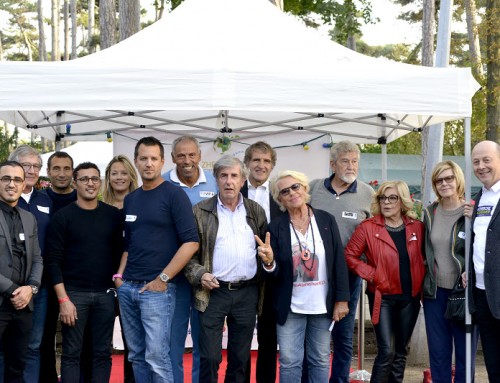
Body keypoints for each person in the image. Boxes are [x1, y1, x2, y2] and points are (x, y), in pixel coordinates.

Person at [114, 136, 199, 382]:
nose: (148, 163)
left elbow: (191, 242)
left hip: (157, 290)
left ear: (162, 162)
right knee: (136, 356)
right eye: (143, 158)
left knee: (157, 357)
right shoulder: (131, 199)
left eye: (153, 159)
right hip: (129, 288)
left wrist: (163, 278)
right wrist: (119, 277)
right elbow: (128, 244)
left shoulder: (174, 195)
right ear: (136, 162)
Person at [184, 155, 268, 383]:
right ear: (216, 179)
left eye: (234, 176)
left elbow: (266, 251)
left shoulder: (256, 211)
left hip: (247, 293)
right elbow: (187, 257)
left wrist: (268, 260)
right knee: (210, 357)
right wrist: (201, 274)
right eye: (224, 176)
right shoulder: (200, 211)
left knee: (240, 358)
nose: (229, 181)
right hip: (213, 292)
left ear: (242, 180)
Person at [262, 170, 350, 382]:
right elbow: (274, 275)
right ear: (279, 199)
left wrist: (342, 299)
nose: (292, 193)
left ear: (304, 188)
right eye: (285, 191)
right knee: (290, 361)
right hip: (291, 306)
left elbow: (339, 261)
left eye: (295, 187)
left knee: (319, 359)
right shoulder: (276, 227)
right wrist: (269, 262)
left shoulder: (326, 220)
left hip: (322, 305)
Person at [45, 162, 123, 382]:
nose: (90, 183)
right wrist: (63, 300)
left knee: (101, 353)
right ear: (74, 183)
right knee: (71, 354)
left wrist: (118, 285)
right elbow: (53, 261)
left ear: (100, 182)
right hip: (74, 295)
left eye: (94, 179)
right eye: (84, 179)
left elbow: (122, 254)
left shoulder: (113, 216)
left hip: (106, 295)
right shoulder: (62, 217)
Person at [345, 180, 425, 383]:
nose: (387, 203)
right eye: (383, 198)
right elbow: (349, 256)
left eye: (392, 198)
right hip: (383, 298)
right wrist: (372, 274)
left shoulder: (417, 227)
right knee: (386, 351)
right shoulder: (368, 228)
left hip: (410, 298)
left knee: (400, 352)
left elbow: (427, 257)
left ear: (403, 200)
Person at [308, 140, 373, 383]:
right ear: (332, 163)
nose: (351, 166)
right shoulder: (313, 189)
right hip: (313, 275)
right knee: (313, 336)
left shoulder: (368, 194)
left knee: (343, 337)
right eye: (345, 161)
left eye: (355, 161)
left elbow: (376, 234)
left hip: (348, 277)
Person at [163, 136, 217, 383]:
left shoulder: (215, 182)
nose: (187, 161)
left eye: (191, 155)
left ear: (199, 156)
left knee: (202, 342)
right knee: (173, 341)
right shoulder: (163, 182)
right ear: (173, 157)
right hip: (173, 275)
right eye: (181, 155)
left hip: (203, 275)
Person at [422, 161, 478, 383]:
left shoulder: (471, 211)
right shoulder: (429, 213)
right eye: (439, 180)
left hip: (463, 293)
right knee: (438, 354)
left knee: (465, 354)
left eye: (449, 178)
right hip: (435, 294)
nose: (444, 183)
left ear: (458, 180)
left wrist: (470, 272)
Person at [7, 146, 52, 382]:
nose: (32, 170)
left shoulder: (45, 200)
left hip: (38, 286)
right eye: (26, 165)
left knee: (33, 345)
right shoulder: (6, 199)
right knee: (6, 347)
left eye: (36, 166)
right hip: (7, 287)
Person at [242, 141, 282, 383]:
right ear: (247, 163)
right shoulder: (234, 191)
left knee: (269, 338)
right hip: (243, 276)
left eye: (266, 161)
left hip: (272, 276)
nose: (261, 165)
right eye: (256, 160)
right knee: (241, 339)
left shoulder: (281, 196)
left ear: (272, 165)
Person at [0, 160, 43, 382]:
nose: (11, 184)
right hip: (4, 300)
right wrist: (15, 290)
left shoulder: (29, 218)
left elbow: (37, 258)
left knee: (17, 368)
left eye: (17, 179)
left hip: (23, 306)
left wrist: (31, 288)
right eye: (6, 178)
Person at [40, 151, 77, 383]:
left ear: (72, 172)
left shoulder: (82, 198)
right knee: (44, 340)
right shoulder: (40, 199)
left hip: (74, 281)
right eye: (56, 168)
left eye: (66, 169)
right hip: (43, 281)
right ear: (48, 172)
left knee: (76, 341)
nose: (61, 174)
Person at [466, 140, 500, 381]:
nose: (481, 166)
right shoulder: (478, 198)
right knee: (493, 362)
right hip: (482, 294)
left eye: (487, 160)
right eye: (476, 161)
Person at [102, 154, 138, 383]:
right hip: (102, 281)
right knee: (100, 342)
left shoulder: (140, 204)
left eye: (124, 172)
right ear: (108, 177)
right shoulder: (99, 207)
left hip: (131, 279)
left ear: (131, 176)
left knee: (132, 342)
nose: (119, 177)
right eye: (114, 173)